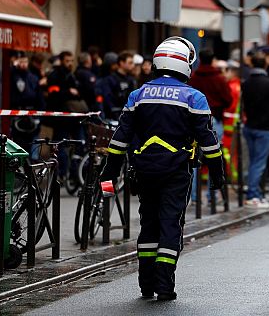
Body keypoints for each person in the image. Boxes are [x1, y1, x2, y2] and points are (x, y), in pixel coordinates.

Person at [100, 36, 225, 301]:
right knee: (170, 224)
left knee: (149, 224)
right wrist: (217, 172)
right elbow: (208, 141)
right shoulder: (194, 97)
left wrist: (109, 170)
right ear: (184, 65)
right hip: (176, 171)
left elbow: (120, 137)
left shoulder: (138, 95)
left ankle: (145, 284)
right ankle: (164, 285)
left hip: (143, 170)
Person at [188, 48, 232, 204]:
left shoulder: (193, 78)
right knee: (213, 155)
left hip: (193, 120)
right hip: (215, 119)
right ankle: (212, 195)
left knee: (193, 158)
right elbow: (228, 99)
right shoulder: (219, 79)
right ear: (212, 60)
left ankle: (193, 196)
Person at [241, 55, 269, 208]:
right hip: (265, 128)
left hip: (249, 126)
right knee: (258, 164)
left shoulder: (246, 83)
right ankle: (253, 195)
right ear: (265, 65)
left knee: (253, 162)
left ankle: (256, 193)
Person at [10, 53, 44, 153]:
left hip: (31, 116)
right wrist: (13, 67)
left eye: (25, 61)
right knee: (17, 145)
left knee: (30, 147)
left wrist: (38, 118)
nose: (23, 64)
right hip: (17, 114)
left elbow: (40, 99)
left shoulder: (33, 78)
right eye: (21, 62)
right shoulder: (12, 75)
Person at [97, 52, 137, 120]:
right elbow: (108, 100)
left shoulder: (131, 80)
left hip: (129, 115)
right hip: (114, 116)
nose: (133, 65)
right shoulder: (110, 79)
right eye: (130, 63)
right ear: (121, 63)